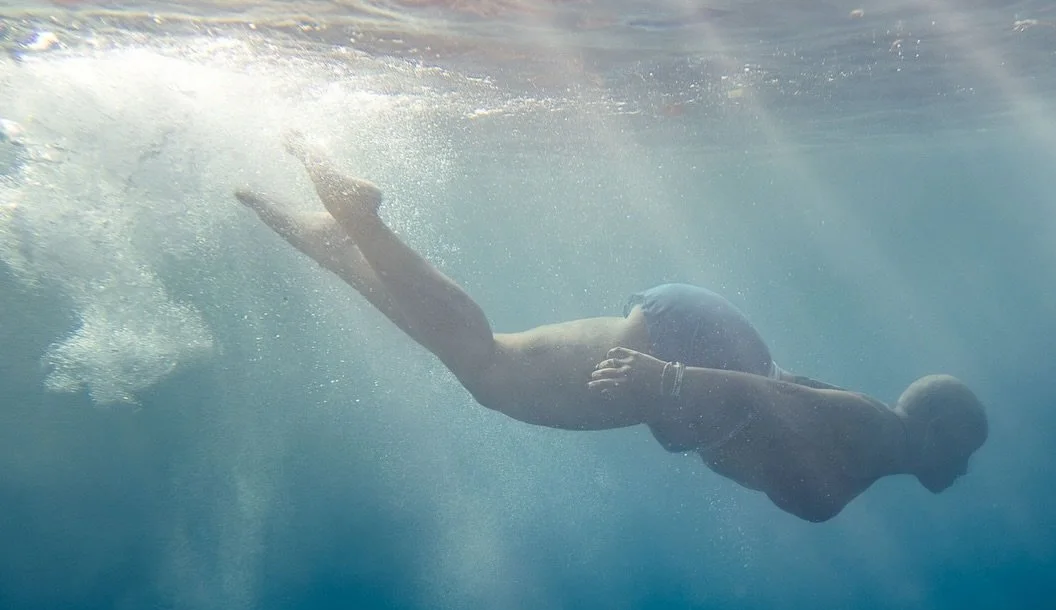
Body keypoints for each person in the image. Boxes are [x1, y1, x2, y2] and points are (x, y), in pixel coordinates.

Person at [236, 134, 987, 522]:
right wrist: (668, 382)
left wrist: (681, 389)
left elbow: (783, 403)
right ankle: (363, 224)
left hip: (701, 350)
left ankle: (343, 242)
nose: (964, 469)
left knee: (487, 370)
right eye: (968, 447)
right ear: (942, 432)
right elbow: (781, 399)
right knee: (488, 370)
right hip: (692, 360)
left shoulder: (882, 448)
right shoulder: (885, 434)